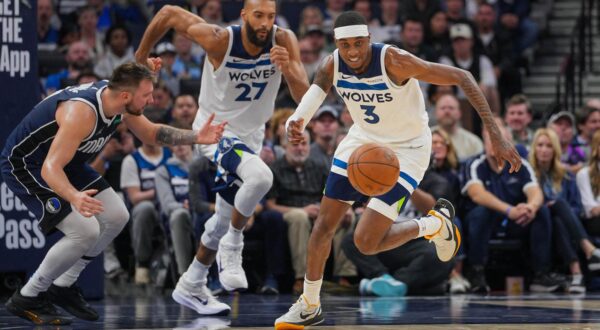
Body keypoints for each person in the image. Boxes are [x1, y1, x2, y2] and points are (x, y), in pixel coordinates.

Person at [276, 11, 521, 328]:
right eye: (345, 45)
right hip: (362, 143)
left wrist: (496, 135)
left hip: (407, 150)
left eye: (358, 44)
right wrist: (298, 121)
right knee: (324, 225)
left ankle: (431, 227)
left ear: (369, 39)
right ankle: (309, 303)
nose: (352, 52)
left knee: (366, 241)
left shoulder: (395, 60)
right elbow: (316, 92)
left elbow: (463, 77)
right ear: (336, 43)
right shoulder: (331, 63)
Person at [0, 62, 225, 325]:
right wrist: (74, 196)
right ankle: (28, 295)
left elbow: (151, 133)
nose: (151, 99)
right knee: (84, 231)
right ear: (127, 96)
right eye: (147, 95)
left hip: (66, 162)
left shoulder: (118, 99)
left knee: (118, 215)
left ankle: (64, 284)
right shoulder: (81, 113)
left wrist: (197, 136)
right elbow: (51, 168)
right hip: (28, 164)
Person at [135, 0, 309, 315]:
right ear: (244, 15)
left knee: (220, 220)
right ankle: (233, 246)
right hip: (214, 133)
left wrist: (290, 70)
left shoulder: (284, 40)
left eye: (270, 17)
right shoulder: (219, 39)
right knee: (260, 178)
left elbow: (303, 94)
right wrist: (140, 58)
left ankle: (191, 283)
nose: (264, 24)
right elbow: (168, 14)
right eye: (258, 16)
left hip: (251, 137)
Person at [528, 128, 600, 293]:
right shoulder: (527, 174)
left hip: (565, 225)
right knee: (555, 207)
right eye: (540, 145)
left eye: (549, 146)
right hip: (537, 223)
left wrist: (561, 210)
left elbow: (576, 206)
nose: (544, 150)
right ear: (534, 148)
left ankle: (577, 274)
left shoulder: (566, 176)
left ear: (555, 150)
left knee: (559, 215)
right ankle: (589, 252)